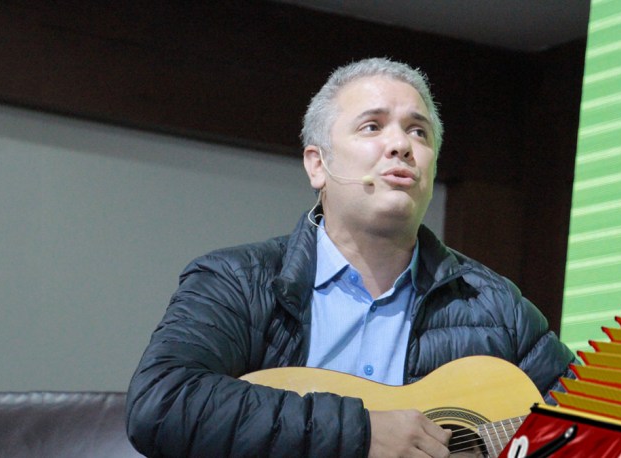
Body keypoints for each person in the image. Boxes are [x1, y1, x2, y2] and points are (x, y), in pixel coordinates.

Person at [126, 57, 577, 457]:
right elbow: (162, 404)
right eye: (372, 127)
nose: (401, 145)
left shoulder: (496, 306)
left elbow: (593, 425)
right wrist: (361, 433)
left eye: (418, 131)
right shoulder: (235, 279)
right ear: (317, 164)